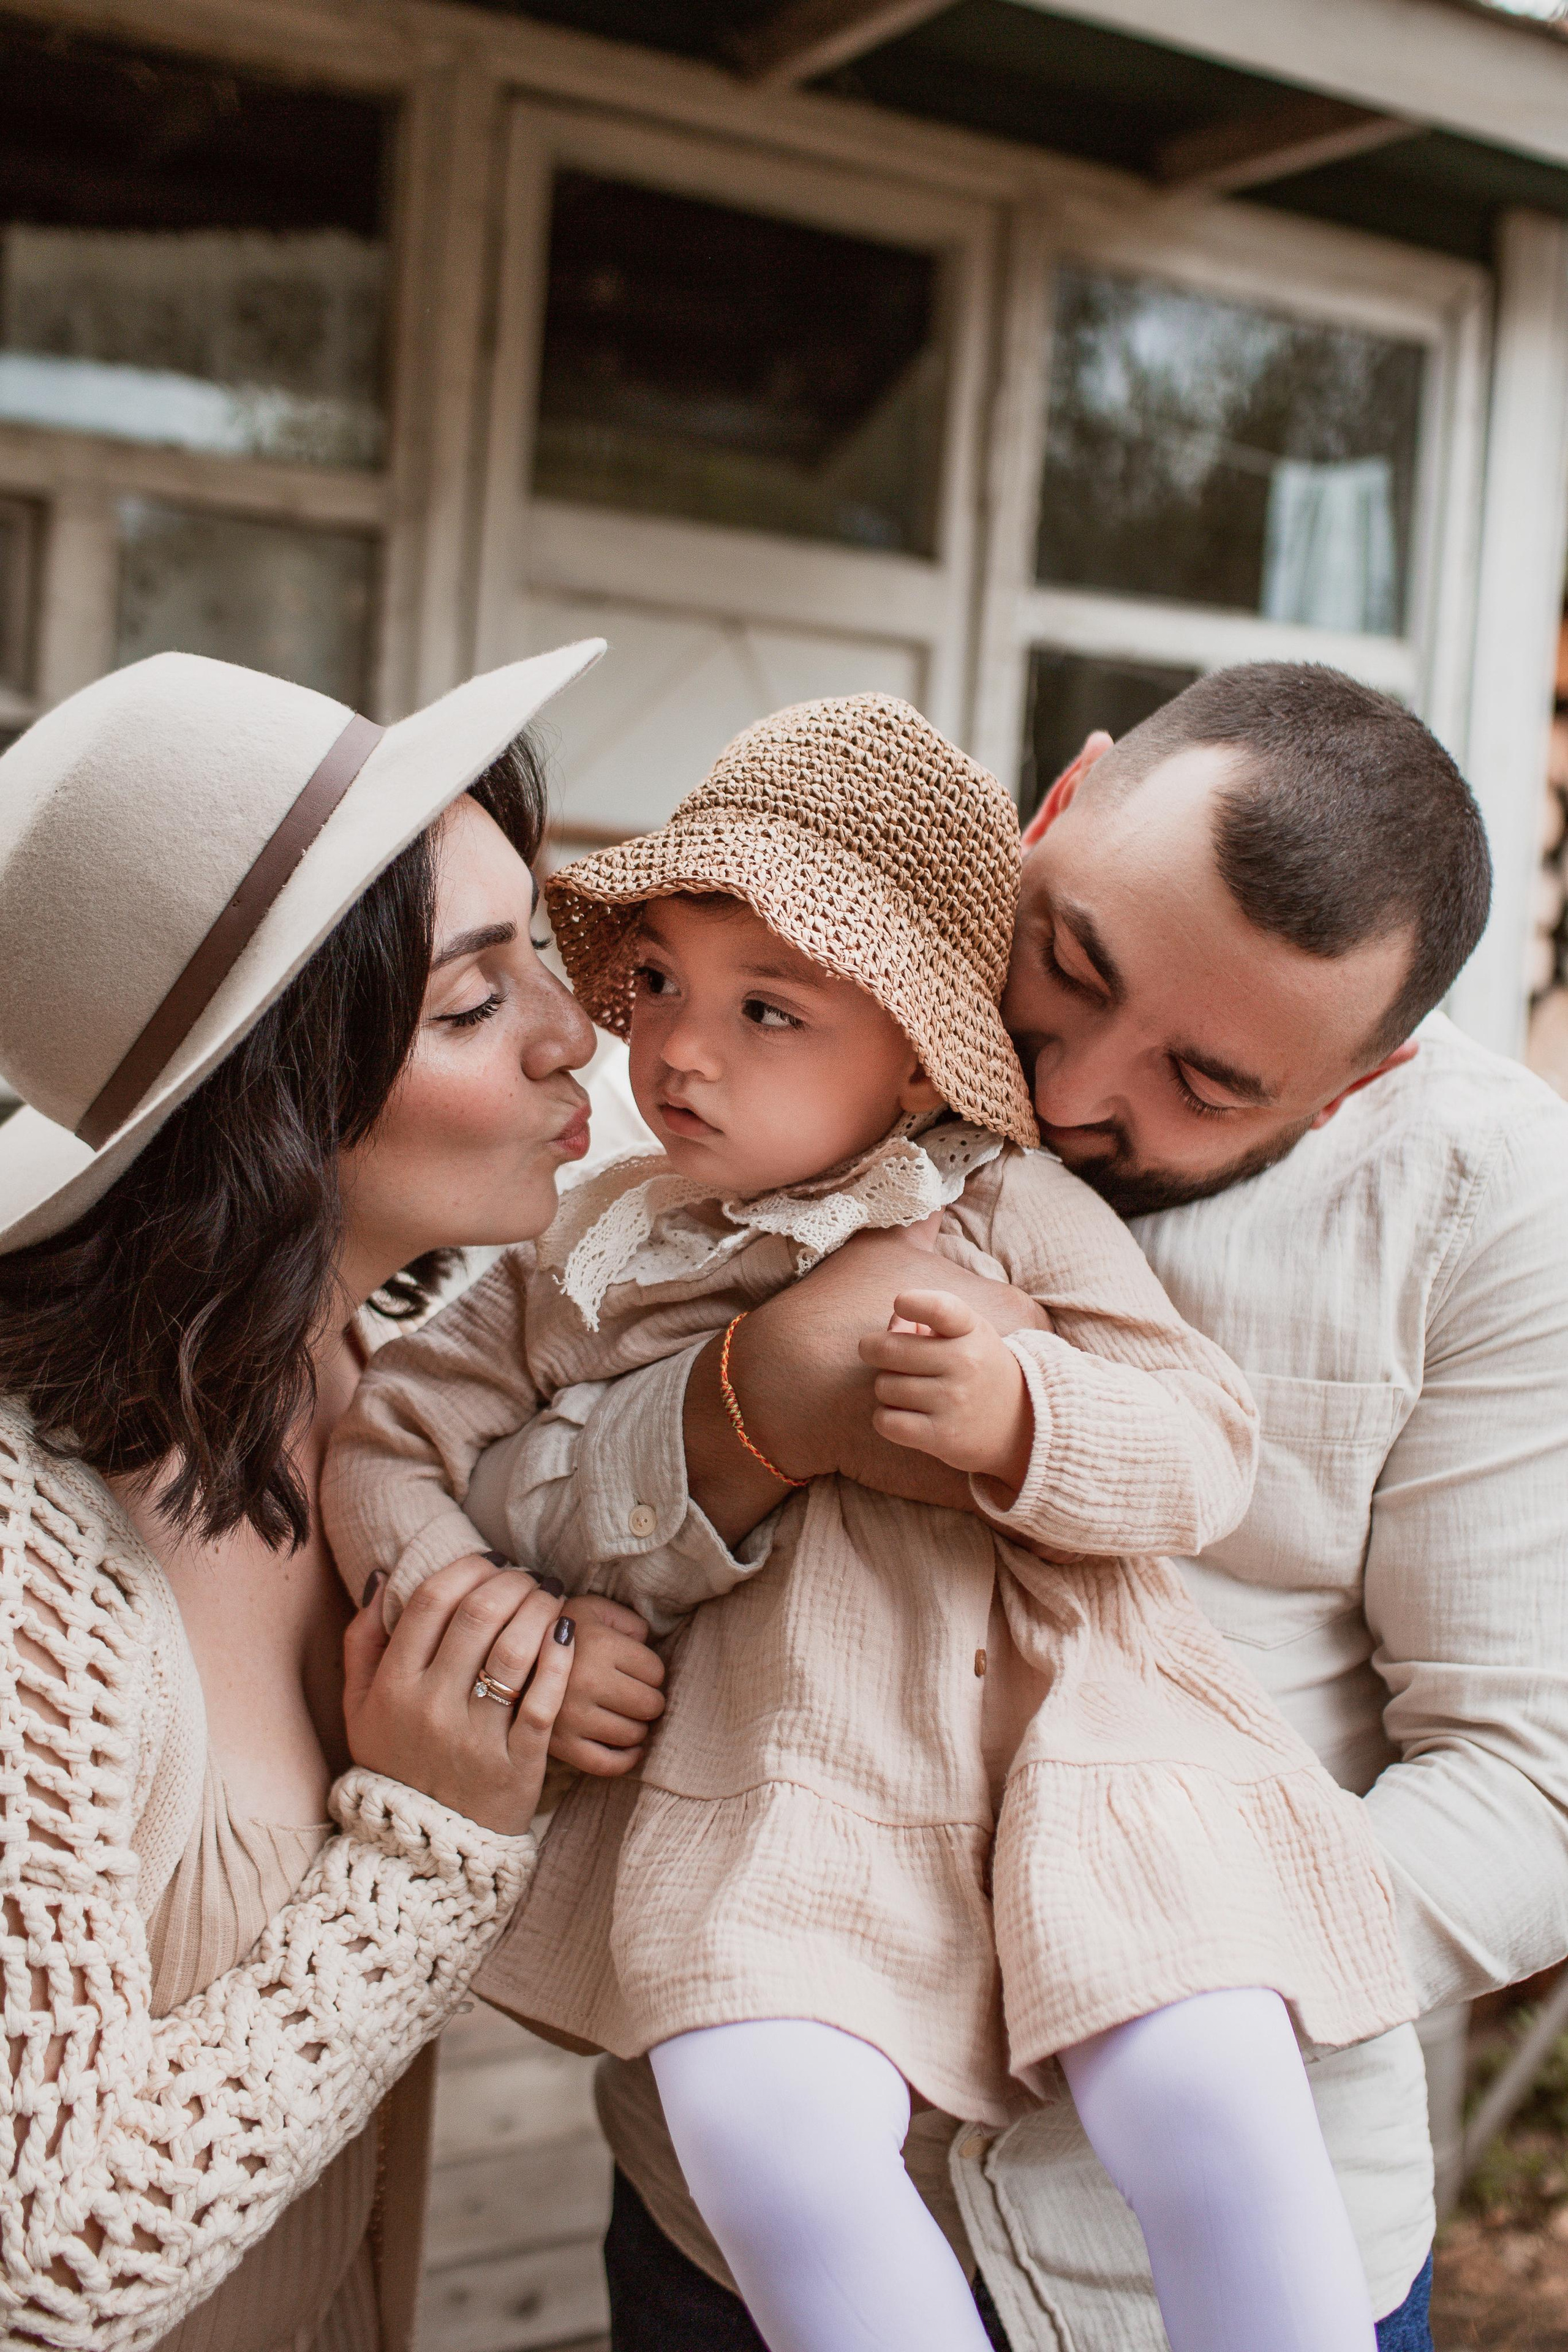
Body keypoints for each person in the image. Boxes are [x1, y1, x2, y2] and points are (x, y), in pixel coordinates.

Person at [454, 661, 1556, 2352]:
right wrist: (748, 1413)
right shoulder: (720, 1041)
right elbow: (477, 1474)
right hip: (748, 2215)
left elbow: (1528, 1782)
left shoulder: (1490, 1202)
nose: (1073, 1086)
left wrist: (1143, 1937)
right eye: (1075, 964)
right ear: (1064, 805)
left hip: (1204, 2208)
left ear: (1353, 1086)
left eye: (1209, 1082)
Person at [0, 638, 655, 2349]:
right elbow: (50, 2259)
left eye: (539, 956)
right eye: (473, 1000)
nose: (572, 1035)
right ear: (272, 1106)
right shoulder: (27, 1562)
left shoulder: (391, 1382)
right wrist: (432, 1847)